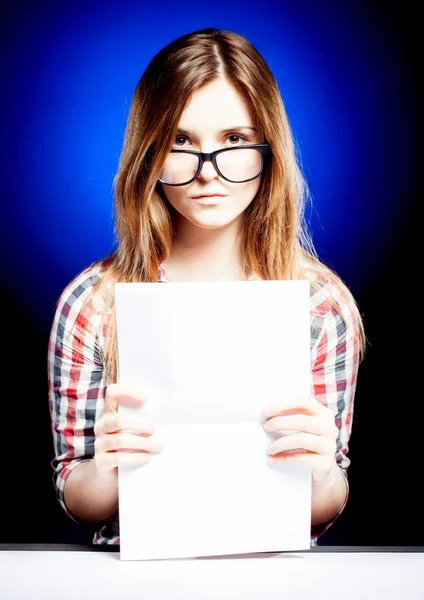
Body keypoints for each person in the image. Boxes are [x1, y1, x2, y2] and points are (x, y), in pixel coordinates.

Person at [47, 27, 365, 547]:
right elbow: (76, 496)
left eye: (234, 140)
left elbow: (322, 506)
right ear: (148, 151)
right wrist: (104, 469)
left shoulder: (322, 306)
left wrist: (324, 470)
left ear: (267, 152)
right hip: (133, 577)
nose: (206, 172)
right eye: (180, 141)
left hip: (273, 573)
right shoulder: (91, 304)